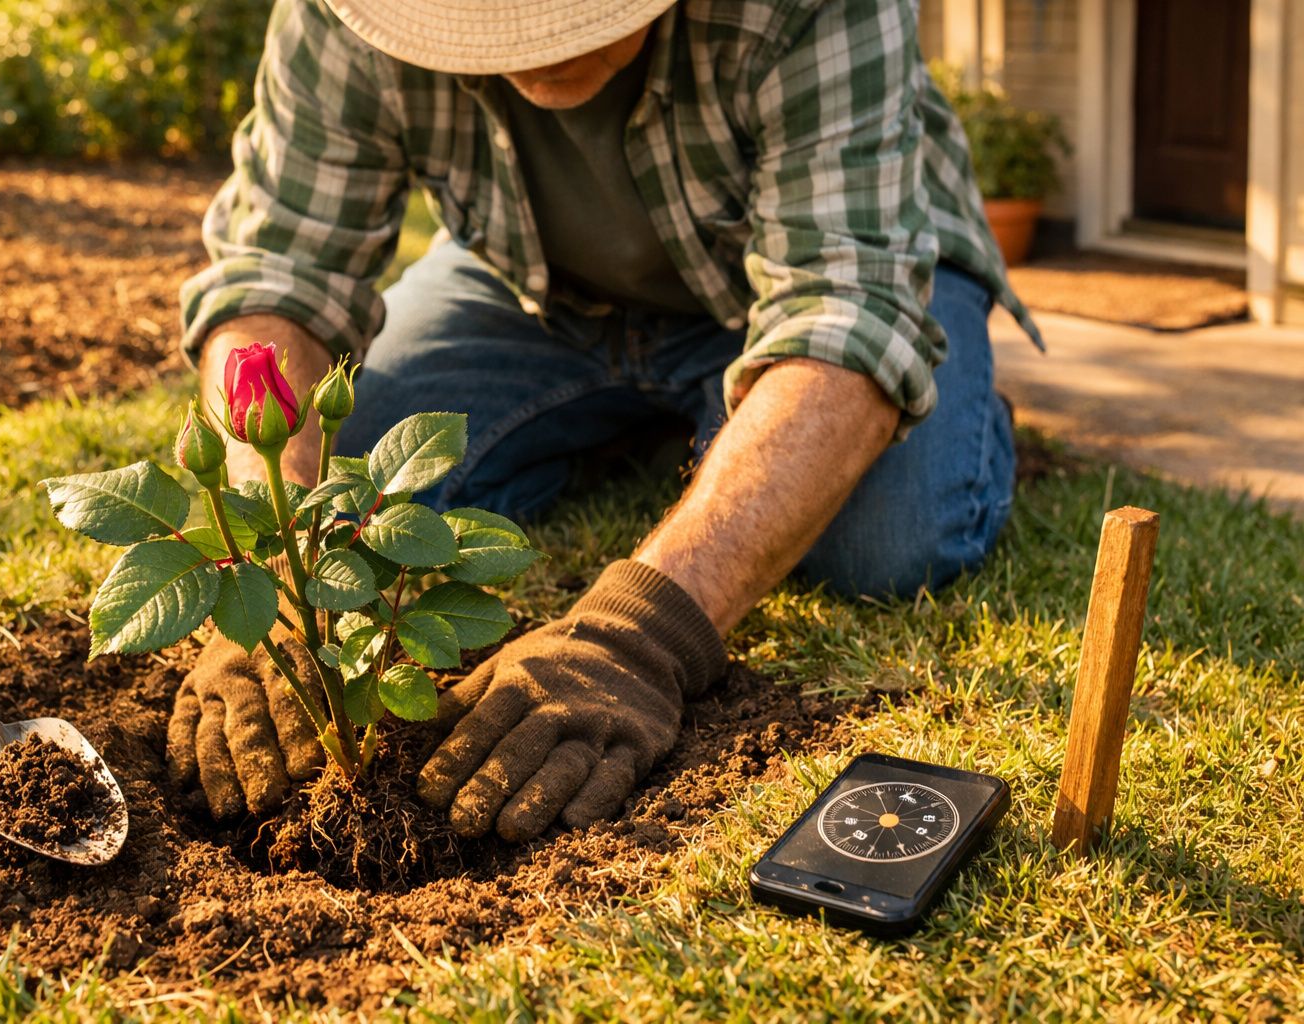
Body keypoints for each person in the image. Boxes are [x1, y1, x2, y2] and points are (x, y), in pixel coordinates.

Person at [166, 0, 1043, 842]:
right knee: (347, 465)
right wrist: (274, 560)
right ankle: (692, 431)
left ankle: (935, 400)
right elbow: (275, 274)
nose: (537, 40)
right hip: (538, 291)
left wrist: (639, 633)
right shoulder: (347, 13)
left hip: (823, 275)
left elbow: (847, 310)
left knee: (888, 539)